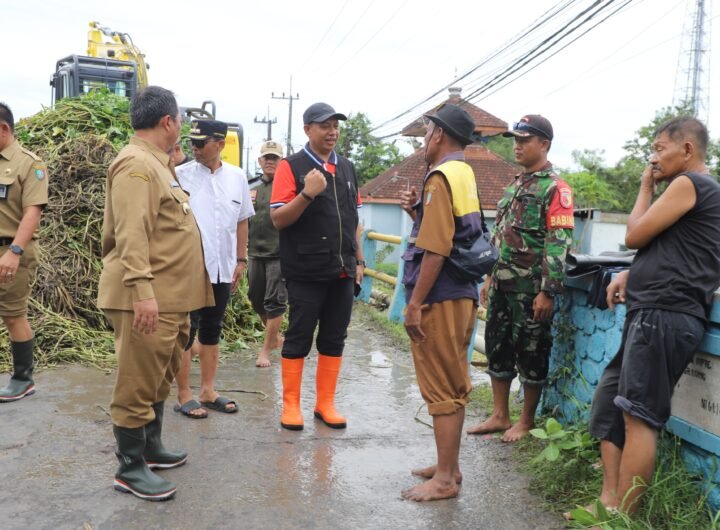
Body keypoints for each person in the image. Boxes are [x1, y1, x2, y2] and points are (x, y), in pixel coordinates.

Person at [586, 117, 720, 515]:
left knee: (638, 419)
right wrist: (631, 272)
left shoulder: (690, 184)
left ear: (688, 150)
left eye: (660, 148)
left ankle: (623, 518)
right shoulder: (701, 194)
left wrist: (645, 186)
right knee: (611, 403)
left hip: (663, 313)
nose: (653, 158)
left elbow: (634, 234)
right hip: (653, 311)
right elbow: (678, 252)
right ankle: (608, 500)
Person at [97, 86, 213, 501]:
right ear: (168, 122)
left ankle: (150, 448)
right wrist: (143, 292)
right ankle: (129, 469)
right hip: (145, 298)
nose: (181, 128)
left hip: (169, 298)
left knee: (158, 377)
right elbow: (132, 234)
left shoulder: (156, 165)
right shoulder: (136, 166)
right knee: (136, 382)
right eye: (179, 121)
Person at [467, 115, 574, 442]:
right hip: (501, 284)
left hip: (531, 290)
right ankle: (500, 415)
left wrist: (548, 292)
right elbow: (500, 235)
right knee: (497, 349)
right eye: (515, 139)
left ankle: (525, 421)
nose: (517, 146)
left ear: (544, 144)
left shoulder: (556, 188)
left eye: (524, 140)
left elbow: (558, 243)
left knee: (531, 352)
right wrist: (489, 278)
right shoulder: (515, 184)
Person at [399, 104, 482, 502]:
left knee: (441, 388)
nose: (423, 140)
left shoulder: (440, 177)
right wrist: (419, 212)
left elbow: (435, 248)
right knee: (454, 381)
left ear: (439, 135)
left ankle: (445, 478)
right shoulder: (463, 172)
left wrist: (414, 303)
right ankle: (449, 465)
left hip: (440, 296)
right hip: (462, 294)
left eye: (426, 131)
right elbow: (459, 231)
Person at [270, 102, 364, 431]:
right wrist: (307, 194)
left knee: (335, 338)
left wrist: (360, 261)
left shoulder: (348, 168)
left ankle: (325, 403)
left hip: (342, 271)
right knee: (298, 337)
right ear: (308, 129)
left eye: (336, 125)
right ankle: (292, 405)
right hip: (306, 270)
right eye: (325, 125)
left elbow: (355, 220)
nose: (332, 131)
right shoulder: (290, 167)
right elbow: (279, 219)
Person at [174, 119, 254, 418]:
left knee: (212, 327)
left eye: (201, 143)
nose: (194, 148)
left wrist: (241, 259)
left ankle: (208, 390)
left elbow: (243, 219)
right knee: (186, 329)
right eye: (192, 142)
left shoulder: (237, 177)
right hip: (190, 267)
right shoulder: (180, 176)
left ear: (219, 144)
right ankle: (184, 394)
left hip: (223, 266)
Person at [0, 102, 48, 403]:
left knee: (13, 314)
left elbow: (32, 213)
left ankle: (23, 378)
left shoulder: (30, 164)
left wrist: (14, 252)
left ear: (4, 129)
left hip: (12, 251)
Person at [248, 140, 287, 368]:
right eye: (267, 158)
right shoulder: (250, 186)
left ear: (282, 162)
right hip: (254, 251)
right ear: (260, 161)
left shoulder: (289, 187)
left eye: (275, 158)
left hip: (279, 252)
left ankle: (265, 350)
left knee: (275, 301)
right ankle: (274, 339)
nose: (271, 162)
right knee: (255, 298)